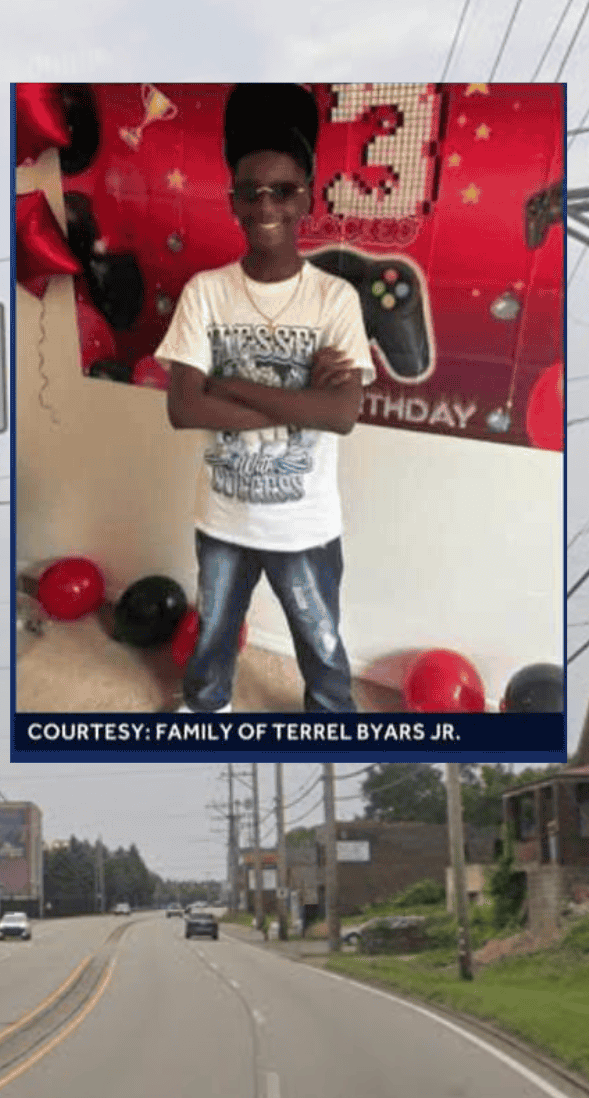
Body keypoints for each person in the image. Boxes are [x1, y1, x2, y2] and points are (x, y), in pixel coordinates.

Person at [154, 83, 374, 713]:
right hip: (223, 517)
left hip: (305, 523)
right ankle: (207, 708)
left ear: (307, 197)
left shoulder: (334, 299)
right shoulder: (206, 292)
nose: (266, 204)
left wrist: (225, 383)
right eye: (250, 192)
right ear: (233, 202)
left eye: (282, 190)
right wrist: (298, 398)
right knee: (214, 631)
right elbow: (183, 409)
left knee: (322, 643)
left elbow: (341, 415)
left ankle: (331, 723)